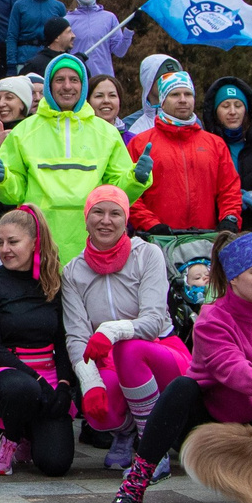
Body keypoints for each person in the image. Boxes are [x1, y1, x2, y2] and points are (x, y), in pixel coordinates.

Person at [102, 232, 252, 503]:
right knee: (181, 388)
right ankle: (134, 487)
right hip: (209, 420)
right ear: (233, 278)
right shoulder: (211, 319)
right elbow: (231, 369)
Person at [65, 185, 190, 469]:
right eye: (97, 212)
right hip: (108, 361)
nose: (105, 220)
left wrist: (110, 331)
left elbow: (154, 321)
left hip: (160, 351)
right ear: (86, 218)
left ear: (126, 219)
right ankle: (125, 432)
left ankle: (150, 448)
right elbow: (76, 336)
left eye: (115, 213)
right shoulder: (73, 271)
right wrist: (90, 381)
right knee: (98, 410)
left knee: (129, 348)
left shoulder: (148, 254)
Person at [0, 54, 146, 264]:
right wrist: (2, 179)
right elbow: (12, 194)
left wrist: (136, 179)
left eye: (74, 79)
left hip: (92, 240)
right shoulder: (24, 131)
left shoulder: (106, 133)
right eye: (59, 80)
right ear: (49, 86)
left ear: (83, 86)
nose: (67, 86)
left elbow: (116, 194)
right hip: (40, 239)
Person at [0, 205, 79, 477]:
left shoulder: (54, 282)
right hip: (5, 372)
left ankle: (31, 432)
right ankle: (11, 436)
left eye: (13, 242)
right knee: (24, 388)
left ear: (34, 243)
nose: (5, 249)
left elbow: (63, 339)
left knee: (56, 465)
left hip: (48, 372)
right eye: (0, 242)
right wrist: (36, 380)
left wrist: (64, 386)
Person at [127, 70, 242, 236]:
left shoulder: (215, 144)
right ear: (162, 101)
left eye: (188, 94)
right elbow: (130, 192)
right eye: (175, 94)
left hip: (207, 238)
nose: (183, 100)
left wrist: (229, 218)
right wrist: (150, 224)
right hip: (158, 239)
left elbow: (230, 189)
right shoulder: (141, 143)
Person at [203, 78, 252, 234]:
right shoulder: (205, 147)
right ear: (215, 112)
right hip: (217, 230)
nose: (232, 112)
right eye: (225, 106)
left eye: (238, 105)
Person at [2, 0, 65, 73]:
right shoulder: (20, 5)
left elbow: (65, 36)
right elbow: (12, 36)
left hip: (51, 60)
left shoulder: (58, 6)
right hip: (25, 59)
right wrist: (11, 64)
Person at [67, 0, 132, 80]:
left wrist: (129, 31)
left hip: (103, 78)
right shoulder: (68, 20)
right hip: (77, 78)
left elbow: (120, 52)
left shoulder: (109, 18)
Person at [123, 53, 183, 139]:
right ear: (149, 81)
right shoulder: (128, 124)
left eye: (174, 80)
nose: (169, 84)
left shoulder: (191, 121)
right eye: (164, 78)